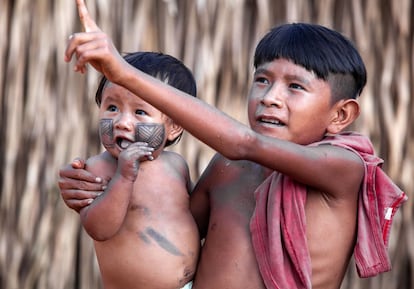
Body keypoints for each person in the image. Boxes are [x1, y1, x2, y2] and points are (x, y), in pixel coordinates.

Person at [60, 1, 407, 288]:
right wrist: (97, 188)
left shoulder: (342, 167)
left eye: (295, 87)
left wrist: (123, 73)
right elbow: (171, 226)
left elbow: (244, 142)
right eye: (262, 80)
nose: (270, 98)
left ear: (340, 115)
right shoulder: (227, 167)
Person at [67, 50, 199, 289]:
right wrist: (124, 177)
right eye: (112, 108)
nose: (122, 122)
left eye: (140, 112)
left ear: (175, 126)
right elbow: (99, 229)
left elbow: (192, 217)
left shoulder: (177, 165)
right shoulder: (100, 167)